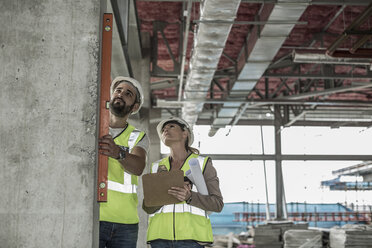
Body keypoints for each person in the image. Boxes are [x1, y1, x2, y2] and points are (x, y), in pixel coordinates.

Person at [143, 117, 224, 248]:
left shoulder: (202, 164)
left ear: (185, 133)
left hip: (191, 238)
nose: (165, 130)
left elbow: (217, 204)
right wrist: (162, 195)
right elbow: (147, 207)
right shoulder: (156, 167)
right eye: (163, 129)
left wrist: (189, 197)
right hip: (159, 238)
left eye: (171, 127)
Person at [98, 76, 149, 248]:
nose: (120, 94)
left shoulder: (138, 137)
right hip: (94, 216)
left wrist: (117, 152)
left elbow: (138, 167)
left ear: (134, 107)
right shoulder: (93, 126)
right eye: (118, 90)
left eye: (128, 94)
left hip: (126, 223)